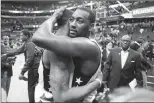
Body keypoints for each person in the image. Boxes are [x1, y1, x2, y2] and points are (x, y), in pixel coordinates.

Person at [32, 7, 102, 102]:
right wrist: (97, 83)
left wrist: (53, 18)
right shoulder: (62, 49)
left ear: (91, 26)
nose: (73, 24)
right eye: (71, 20)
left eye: (79, 21)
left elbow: (38, 37)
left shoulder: (88, 46)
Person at [2, 29, 43, 103]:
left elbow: (30, 59)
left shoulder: (30, 44)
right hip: (33, 69)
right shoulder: (26, 43)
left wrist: (22, 72)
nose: (20, 36)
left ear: (26, 36)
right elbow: (17, 51)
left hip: (33, 69)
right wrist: (6, 55)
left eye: (21, 35)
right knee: (32, 88)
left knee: (31, 89)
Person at [1, 36, 16, 102]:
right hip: (2, 71)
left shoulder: (10, 48)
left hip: (9, 71)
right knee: (3, 88)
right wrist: (5, 64)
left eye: (7, 39)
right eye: (4, 39)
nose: (6, 40)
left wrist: (13, 61)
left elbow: (13, 56)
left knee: (7, 87)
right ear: (2, 40)